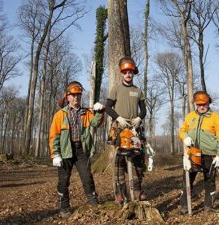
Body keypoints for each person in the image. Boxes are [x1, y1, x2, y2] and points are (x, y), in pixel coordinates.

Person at [49, 81, 105, 218]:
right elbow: (53, 136)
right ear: (67, 97)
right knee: (63, 180)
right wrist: (55, 154)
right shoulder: (60, 115)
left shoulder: (86, 113)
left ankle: (93, 202)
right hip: (65, 151)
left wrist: (99, 112)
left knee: (87, 177)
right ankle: (64, 207)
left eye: (78, 95)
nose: (76, 98)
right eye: (73, 95)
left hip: (81, 150)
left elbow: (96, 123)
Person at [105, 56, 147, 205]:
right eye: (125, 72)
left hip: (134, 130)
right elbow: (108, 107)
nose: (128, 75)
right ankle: (120, 194)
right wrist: (118, 118)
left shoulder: (138, 91)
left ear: (134, 73)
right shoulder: (116, 89)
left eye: (130, 72)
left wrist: (139, 118)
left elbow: (144, 110)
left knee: (137, 161)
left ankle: (137, 191)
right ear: (121, 73)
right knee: (119, 162)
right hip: (120, 129)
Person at [178, 91, 219, 213]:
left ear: (208, 103)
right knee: (187, 179)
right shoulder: (190, 116)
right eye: (199, 104)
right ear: (195, 104)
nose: (201, 107)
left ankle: (208, 206)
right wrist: (185, 137)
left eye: (204, 104)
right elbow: (182, 130)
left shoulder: (215, 117)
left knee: (209, 181)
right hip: (192, 153)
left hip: (209, 155)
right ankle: (184, 206)